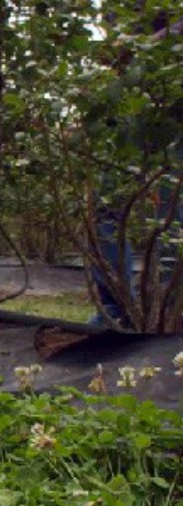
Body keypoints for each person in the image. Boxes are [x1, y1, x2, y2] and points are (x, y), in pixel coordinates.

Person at [88, 7, 181, 328]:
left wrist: (146, 50)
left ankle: (172, 314)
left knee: (171, 216)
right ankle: (116, 311)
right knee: (108, 208)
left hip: (173, 109)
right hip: (127, 108)